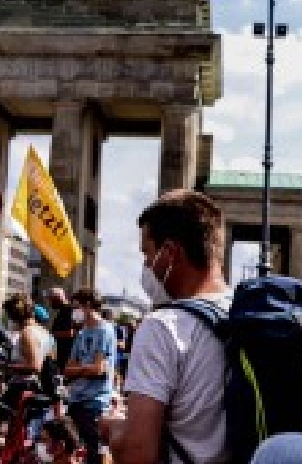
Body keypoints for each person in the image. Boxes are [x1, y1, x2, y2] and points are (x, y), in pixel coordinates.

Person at [105, 189, 233, 464]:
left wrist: (114, 429)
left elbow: (137, 455)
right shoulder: (249, 314)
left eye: (147, 253)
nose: (146, 265)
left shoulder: (164, 327)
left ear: (171, 253)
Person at [64, 288, 116, 464]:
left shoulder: (105, 331)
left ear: (87, 306)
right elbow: (68, 369)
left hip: (95, 400)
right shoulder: (81, 333)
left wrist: (82, 369)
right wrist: (88, 368)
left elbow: (99, 370)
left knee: (94, 450)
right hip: (76, 399)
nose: (74, 312)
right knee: (76, 449)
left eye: (76, 307)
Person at [48, 287, 78, 368]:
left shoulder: (69, 311)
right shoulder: (63, 311)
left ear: (57, 299)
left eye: (51, 300)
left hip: (68, 356)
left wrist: (51, 334)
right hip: (62, 356)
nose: (49, 303)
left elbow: (71, 333)